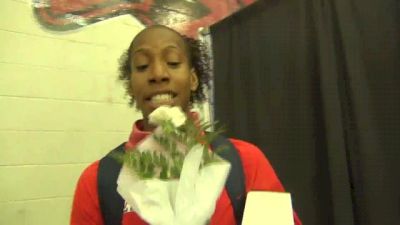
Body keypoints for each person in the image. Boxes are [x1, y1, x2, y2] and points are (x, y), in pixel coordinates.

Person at [70, 25, 302, 225]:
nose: (158, 74)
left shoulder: (246, 162)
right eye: (142, 66)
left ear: (192, 79)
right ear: (131, 86)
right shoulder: (98, 182)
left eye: (172, 62)